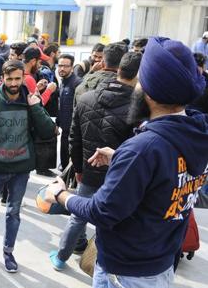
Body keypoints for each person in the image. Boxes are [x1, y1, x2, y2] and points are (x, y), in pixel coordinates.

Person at [46, 37, 208, 288]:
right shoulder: (195, 133)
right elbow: (165, 174)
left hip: (126, 274)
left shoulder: (143, 149)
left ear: (151, 92)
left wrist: (62, 195)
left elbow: (103, 211)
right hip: (161, 267)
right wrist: (121, 156)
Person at [49, 52, 141, 271]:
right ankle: (103, 264)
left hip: (89, 171)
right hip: (121, 175)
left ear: (116, 70)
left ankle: (61, 257)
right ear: (138, 75)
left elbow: (73, 138)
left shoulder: (85, 97)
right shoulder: (140, 107)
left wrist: (79, 169)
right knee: (114, 220)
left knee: (78, 215)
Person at [0, 60, 56, 272]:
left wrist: (35, 107)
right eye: (9, 78)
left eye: (17, 79)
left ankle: (8, 251)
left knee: (13, 213)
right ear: (3, 78)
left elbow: (49, 131)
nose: (13, 83)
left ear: (23, 78)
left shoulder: (31, 101)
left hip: (21, 170)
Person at [55, 54, 81, 170]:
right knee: (64, 160)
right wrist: (57, 123)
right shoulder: (63, 81)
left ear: (72, 67)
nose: (62, 69)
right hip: (65, 128)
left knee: (70, 162)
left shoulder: (77, 83)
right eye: (60, 65)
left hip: (73, 130)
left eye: (66, 66)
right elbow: (61, 105)